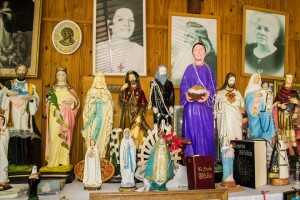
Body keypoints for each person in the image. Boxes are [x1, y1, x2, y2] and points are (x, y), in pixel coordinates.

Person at [180, 41, 216, 158]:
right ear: (193, 53)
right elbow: (183, 85)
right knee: (192, 135)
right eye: (196, 49)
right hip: (191, 109)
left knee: (205, 134)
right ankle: (191, 161)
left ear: (205, 53)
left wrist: (207, 95)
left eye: (201, 49)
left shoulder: (208, 70)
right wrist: (186, 95)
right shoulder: (189, 69)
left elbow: (212, 87)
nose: (199, 51)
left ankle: (205, 162)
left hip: (205, 108)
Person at [0, 64, 41, 167]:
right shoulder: (9, 83)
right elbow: (3, 97)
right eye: (20, 70)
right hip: (12, 116)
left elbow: (35, 99)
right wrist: (8, 95)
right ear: (16, 71)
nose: (22, 72)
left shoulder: (31, 86)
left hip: (24, 117)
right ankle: (12, 163)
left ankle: (24, 163)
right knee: (12, 140)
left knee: (24, 140)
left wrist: (31, 98)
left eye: (24, 70)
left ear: (26, 72)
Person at [44, 67, 80, 169]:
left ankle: (64, 160)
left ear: (66, 76)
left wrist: (71, 103)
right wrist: (52, 105)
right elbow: (47, 102)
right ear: (56, 76)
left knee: (65, 137)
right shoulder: (52, 89)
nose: (61, 77)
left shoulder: (70, 89)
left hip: (66, 116)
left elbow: (77, 103)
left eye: (63, 75)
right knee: (54, 136)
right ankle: (53, 160)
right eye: (59, 74)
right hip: (55, 116)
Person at [95, 7, 144, 74]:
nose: (127, 24)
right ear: (110, 24)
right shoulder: (98, 49)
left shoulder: (140, 51)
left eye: (131, 20)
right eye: (120, 19)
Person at [172, 21, 216, 85]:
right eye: (185, 34)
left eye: (189, 35)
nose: (185, 38)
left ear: (199, 39)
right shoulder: (185, 53)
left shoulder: (209, 59)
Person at [82, 72, 113, 158]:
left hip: (103, 119)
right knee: (92, 133)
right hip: (93, 117)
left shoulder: (106, 92)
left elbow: (110, 106)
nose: (99, 80)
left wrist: (103, 100)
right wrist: (94, 100)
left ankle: (101, 153)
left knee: (102, 135)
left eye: (101, 78)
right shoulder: (91, 91)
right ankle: (91, 152)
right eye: (98, 78)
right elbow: (87, 106)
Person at [119, 70, 149, 147]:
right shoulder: (125, 90)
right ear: (128, 79)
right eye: (130, 77)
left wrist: (139, 115)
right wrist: (122, 90)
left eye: (133, 76)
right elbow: (122, 101)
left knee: (138, 131)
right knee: (127, 131)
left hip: (136, 114)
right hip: (127, 115)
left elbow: (143, 104)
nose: (132, 78)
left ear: (136, 78)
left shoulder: (140, 91)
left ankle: (138, 147)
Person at [215, 73, 244, 147]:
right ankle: (226, 157)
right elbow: (216, 106)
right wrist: (223, 102)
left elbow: (242, 106)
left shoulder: (237, 93)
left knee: (236, 139)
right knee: (226, 141)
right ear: (227, 80)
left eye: (233, 80)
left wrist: (242, 114)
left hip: (236, 121)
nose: (232, 81)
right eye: (230, 80)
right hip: (226, 120)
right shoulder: (220, 93)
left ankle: (236, 155)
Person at [244, 73, 276, 140]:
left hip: (263, 115)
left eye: (259, 78)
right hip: (254, 116)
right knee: (255, 135)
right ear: (252, 79)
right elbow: (248, 104)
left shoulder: (262, 90)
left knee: (264, 137)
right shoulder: (249, 91)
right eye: (256, 78)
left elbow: (266, 103)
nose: (257, 80)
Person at [274, 74, 299, 155]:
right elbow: (275, 103)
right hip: (282, 116)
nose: (289, 79)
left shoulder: (294, 92)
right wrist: (280, 105)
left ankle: (296, 158)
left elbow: (298, 104)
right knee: (284, 138)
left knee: (292, 138)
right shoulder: (280, 92)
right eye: (288, 78)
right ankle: (287, 157)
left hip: (291, 116)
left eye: (291, 78)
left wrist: (297, 103)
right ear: (285, 79)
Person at [0, 112, 9, 188]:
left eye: (2, 119)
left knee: (3, 162)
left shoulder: (6, 130)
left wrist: (1, 131)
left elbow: (5, 139)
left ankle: (3, 180)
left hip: (2, 149)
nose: (0, 121)